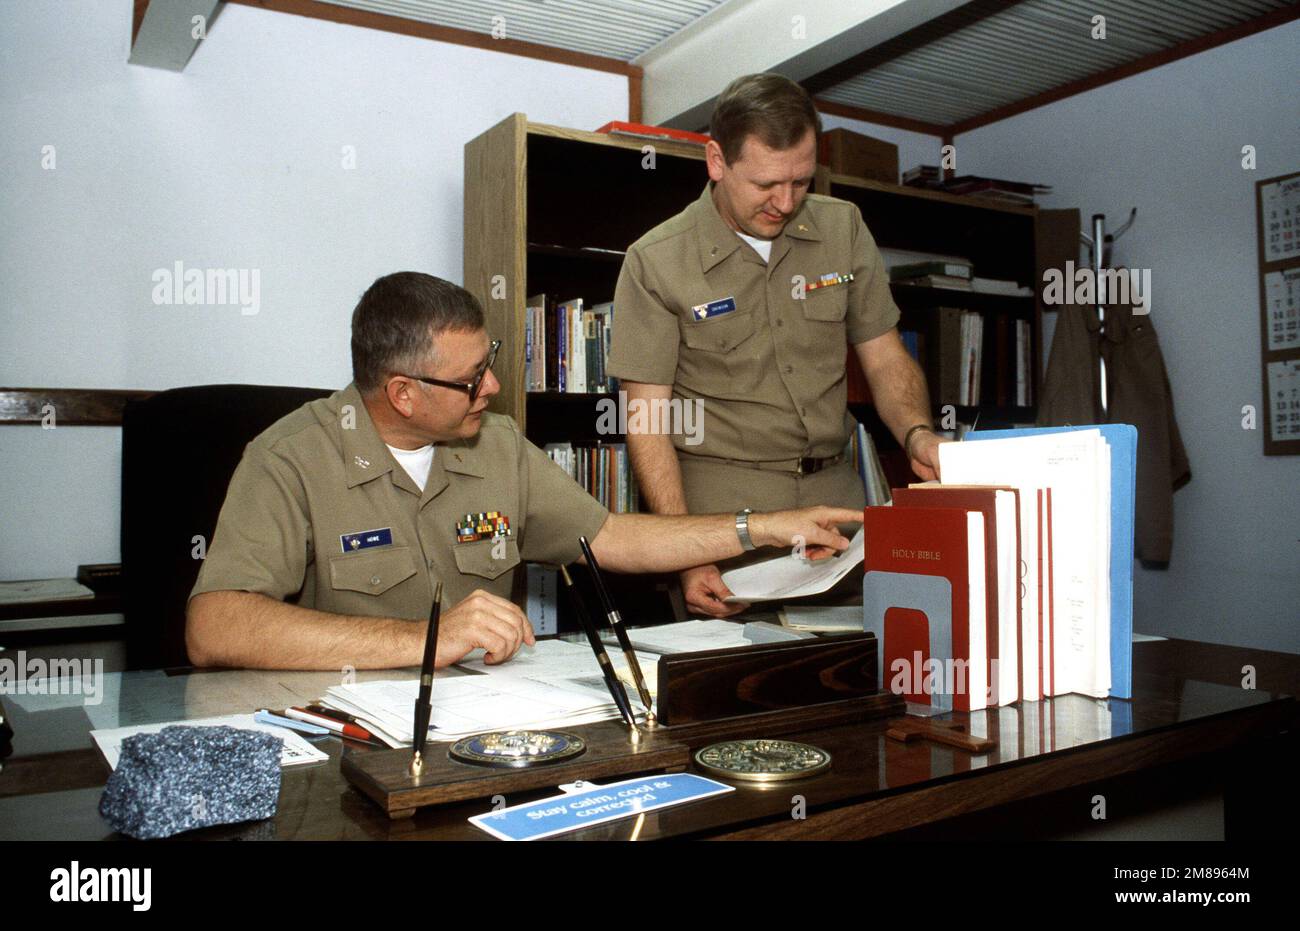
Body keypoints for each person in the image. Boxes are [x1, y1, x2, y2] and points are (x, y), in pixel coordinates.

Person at [186, 272, 860, 671]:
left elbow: (617, 538)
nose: (493, 385)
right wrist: (428, 638)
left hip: (484, 723)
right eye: (471, 377)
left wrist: (765, 525)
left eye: (491, 360)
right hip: (354, 733)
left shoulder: (497, 445)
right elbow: (213, 627)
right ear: (402, 393)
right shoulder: (289, 459)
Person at [606, 73, 945, 619]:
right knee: (740, 689)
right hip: (725, 520)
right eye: (766, 184)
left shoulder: (843, 228)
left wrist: (916, 433)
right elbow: (647, 420)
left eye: (802, 182)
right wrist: (688, 555)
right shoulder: (656, 261)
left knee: (870, 674)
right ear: (716, 161)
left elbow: (883, 356)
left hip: (839, 507)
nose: (786, 203)